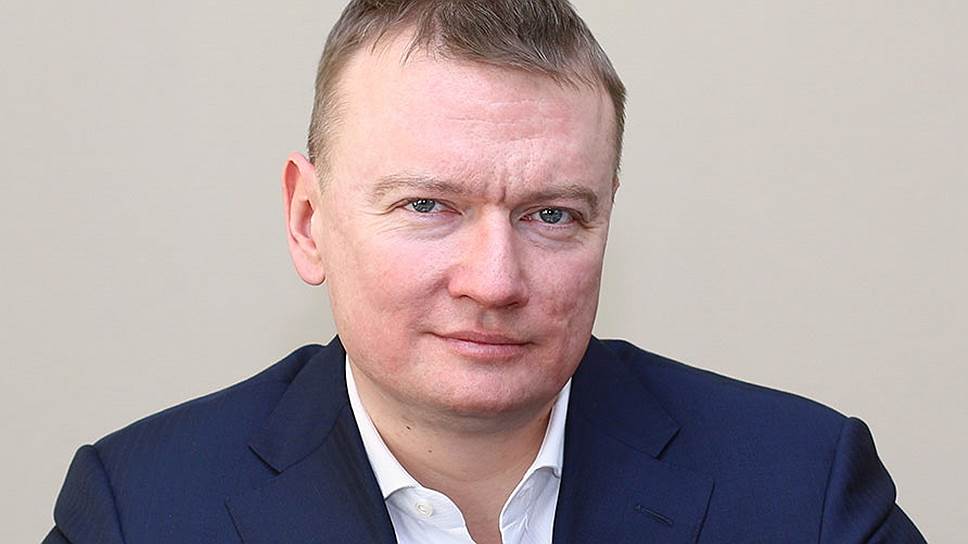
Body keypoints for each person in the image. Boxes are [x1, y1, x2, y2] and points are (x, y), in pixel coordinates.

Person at [43, 1, 926, 543]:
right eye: (429, 205)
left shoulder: (804, 489)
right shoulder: (141, 512)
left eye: (553, 215)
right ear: (308, 222)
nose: (495, 281)